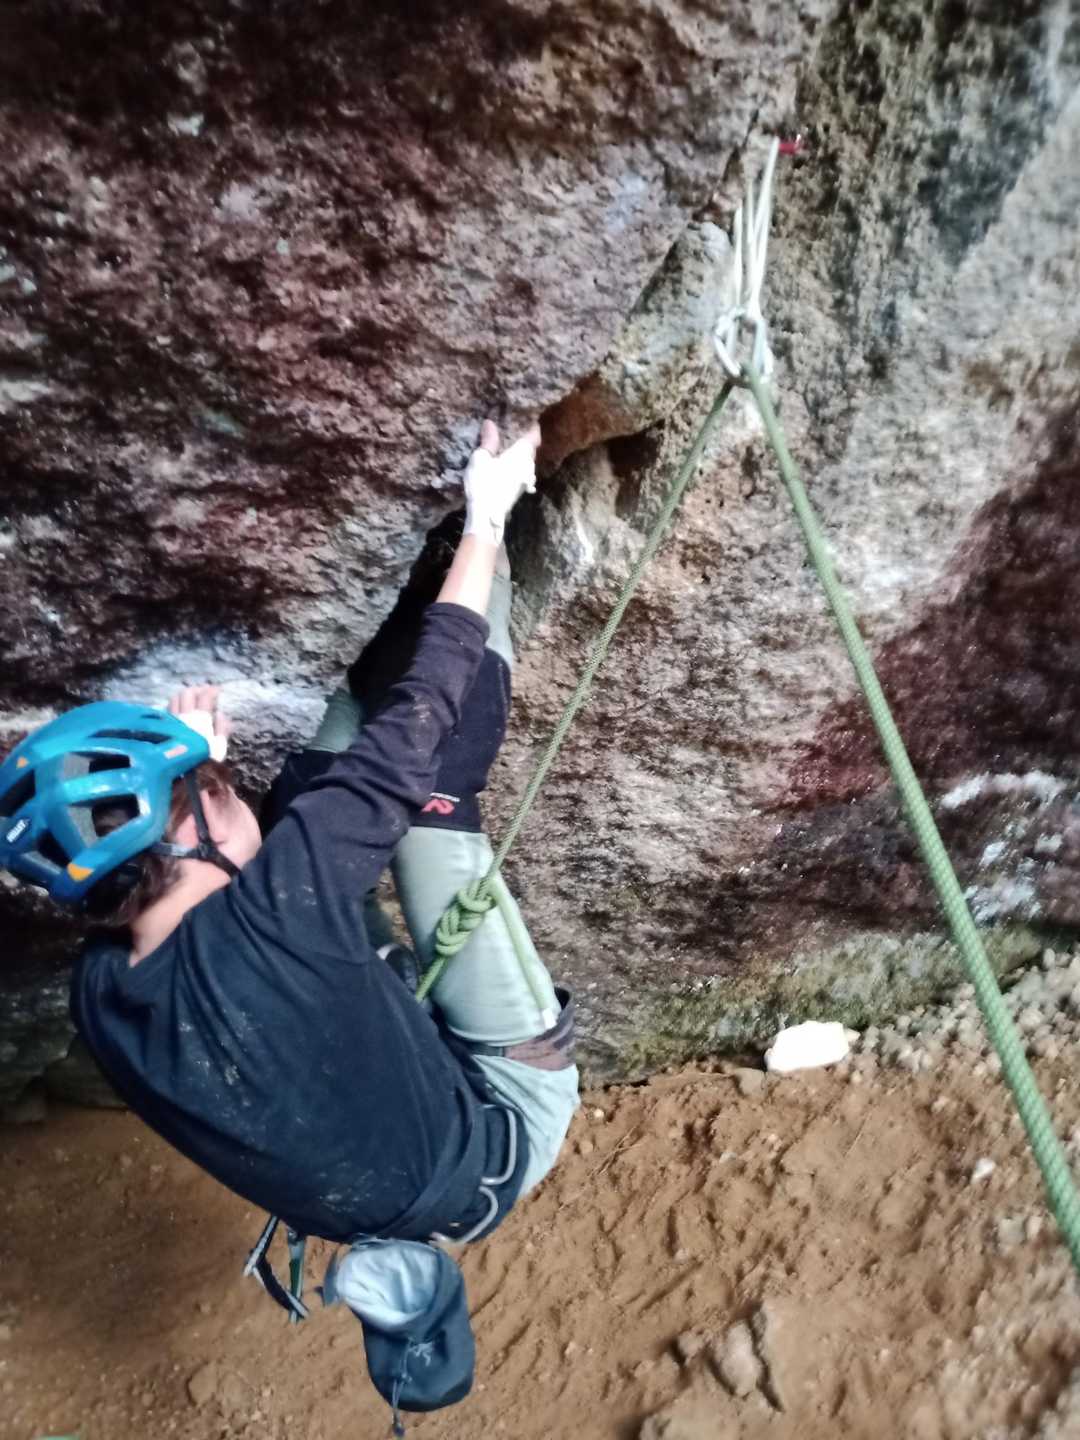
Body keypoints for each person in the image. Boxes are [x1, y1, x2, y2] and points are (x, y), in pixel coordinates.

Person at [0, 419, 579, 1431]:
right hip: (502, 1124)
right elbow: (420, 725)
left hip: (368, 1152)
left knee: (322, 781)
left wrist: (197, 784)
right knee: (434, 793)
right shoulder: (282, 899)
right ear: (198, 846)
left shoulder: (104, 989)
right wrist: (488, 516)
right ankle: (465, 573)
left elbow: (220, 882)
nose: (236, 792)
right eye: (221, 792)